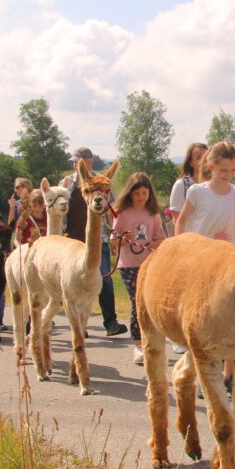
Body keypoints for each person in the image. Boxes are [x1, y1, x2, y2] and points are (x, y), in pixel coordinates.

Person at [175, 141, 235, 390]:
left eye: (233, 170)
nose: (228, 176)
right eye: (223, 171)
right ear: (211, 167)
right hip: (200, 260)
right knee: (203, 319)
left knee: (227, 316)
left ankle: (228, 375)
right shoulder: (197, 192)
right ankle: (202, 370)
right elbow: (182, 222)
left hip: (226, 260)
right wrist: (181, 248)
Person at [62, 146, 127, 336]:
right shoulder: (68, 183)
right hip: (73, 240)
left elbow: (111, 208)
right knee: (72, 283)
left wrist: (115, 233)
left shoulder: (103, 182)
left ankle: (110, 322)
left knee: (104, 279)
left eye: (77, 160)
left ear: (87, 161)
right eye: (73, 162)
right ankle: (80, 324)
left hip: (99, 240)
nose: (74, 164)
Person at [111, 172, 166, 364]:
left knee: (151, 303)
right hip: (129, 265)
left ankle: (152, 340)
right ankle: (138, 344)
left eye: (145, 193)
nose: (142, 197)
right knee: (137, 303)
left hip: (150, 263)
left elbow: (160, 237)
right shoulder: (122, 213)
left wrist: (153, 244)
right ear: (130, 194)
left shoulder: (153, 213)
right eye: (138, 194)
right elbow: (114, 240)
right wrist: (124, 241)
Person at [168, 142, 208, 226]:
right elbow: (177, 221)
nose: (203, 161)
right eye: (198, 158)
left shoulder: (214, 185)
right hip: (191, 237)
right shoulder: (181, 186)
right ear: (190, 162)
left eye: (206, 158)